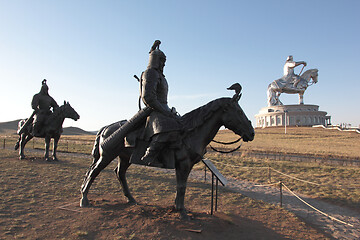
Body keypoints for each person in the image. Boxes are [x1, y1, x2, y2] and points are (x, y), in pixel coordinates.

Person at [140, 40, 182, 167]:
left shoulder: (161, 76)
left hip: (164, 108)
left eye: (164, 61)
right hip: (153, 110)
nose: (163, 64)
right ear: (155, 60)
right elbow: (148, 97)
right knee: (165, 128)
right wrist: (164, 111)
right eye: (161, 60)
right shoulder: (150, 73)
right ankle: (149, 154)